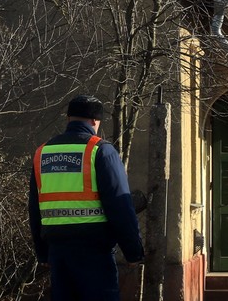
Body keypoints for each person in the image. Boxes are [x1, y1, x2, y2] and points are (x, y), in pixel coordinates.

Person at [28, 95, 144, 301]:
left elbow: (35, 208)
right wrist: (133, 252)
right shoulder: (100, 150)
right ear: (94, 121)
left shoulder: (42, 153)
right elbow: (120, 205)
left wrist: (42, 252)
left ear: (69, 118)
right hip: (94, 252)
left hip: (58, 252)